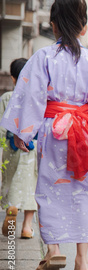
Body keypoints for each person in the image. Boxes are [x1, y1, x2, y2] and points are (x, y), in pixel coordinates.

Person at [0, 0, 88, 270]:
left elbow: (32, 96)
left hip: (52, 134)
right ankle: (82, 263)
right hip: (84, 133)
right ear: (84, 26)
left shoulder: (43, 57)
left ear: (53, 25)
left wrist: (22, 132)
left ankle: (53, 251)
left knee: (50, 190)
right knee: (84, 191)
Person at [1, 58, 38, 239]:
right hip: (32, 148)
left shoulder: (7, 98)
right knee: (31, 183)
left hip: (11, 147)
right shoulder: (37, 99)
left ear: (13, 78)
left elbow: (1, 127)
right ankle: (26, 226)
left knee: (10, 180)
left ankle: (11, 207)